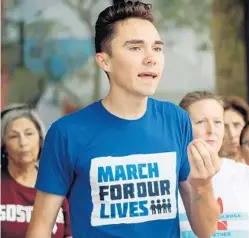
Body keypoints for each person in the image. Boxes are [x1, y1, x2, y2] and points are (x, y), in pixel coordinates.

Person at [26, 2, 220, 238]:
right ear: (104, 61)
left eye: (157, 48)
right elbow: (40, 227)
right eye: (136, 48)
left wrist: (203, 185)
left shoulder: (176, 119)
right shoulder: (67, 132)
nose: (151, 58)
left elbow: (206, 230)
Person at [178, 91, 249, 238]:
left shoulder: (248, 175)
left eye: (218, 122)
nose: (211, 130)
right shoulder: (171, 178)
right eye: (201, 122)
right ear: (182, 128)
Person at [1, 104, 72, 238]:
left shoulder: (59, 185)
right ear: (4, 145)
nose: (23, 142)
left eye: (29, 134)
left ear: (40, 140)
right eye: (13, 136)